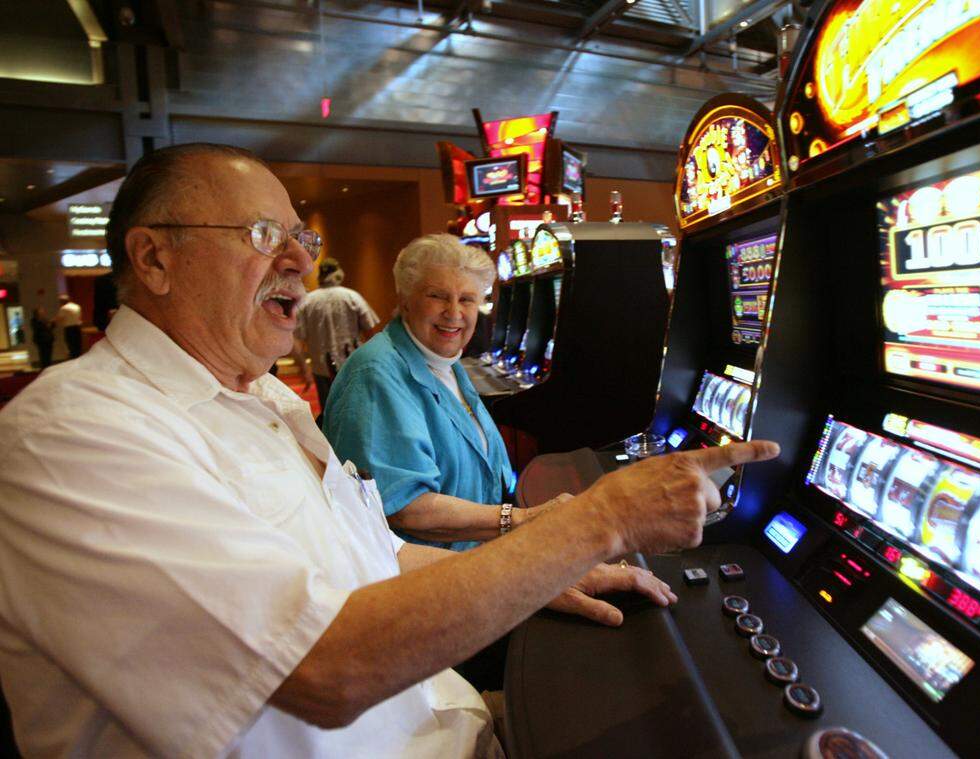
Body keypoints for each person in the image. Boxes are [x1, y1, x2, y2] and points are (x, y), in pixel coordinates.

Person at [0, 142, 780, 757]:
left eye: (300, 237)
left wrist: (543, 568)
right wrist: (596, 519)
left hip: (447, 717)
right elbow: (321, 669)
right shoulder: (73, 432)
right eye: (263, 235)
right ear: (155, 257)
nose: (301, 261)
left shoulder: (264, 399)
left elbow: (374, 554)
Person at [324, 234, 547, 553]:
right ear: (405, 301)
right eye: (438, 296)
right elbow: (405, 507)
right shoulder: (377, 375)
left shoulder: (445, 362)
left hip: (477, 557)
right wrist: (520, 519)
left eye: (467, 299)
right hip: (426, 579)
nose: (454, 312)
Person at [292, 257, 380, 412]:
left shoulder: (307, 301)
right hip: (352, 365)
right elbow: (371, 332)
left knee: (329, 412)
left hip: (321, 369)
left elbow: (297, 339)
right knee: (356, 409)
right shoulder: (352, 297)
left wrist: (304, 368)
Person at [54, 293, 83, 359]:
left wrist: (53, 322)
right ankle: (79, 358)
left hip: (69, 329)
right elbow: (80, 317)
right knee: (78, 345)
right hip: (77, 328)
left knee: (71, 345)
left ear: (62, 301)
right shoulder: (77, 306)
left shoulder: (64, 308)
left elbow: (59, 319)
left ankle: (73, 359)